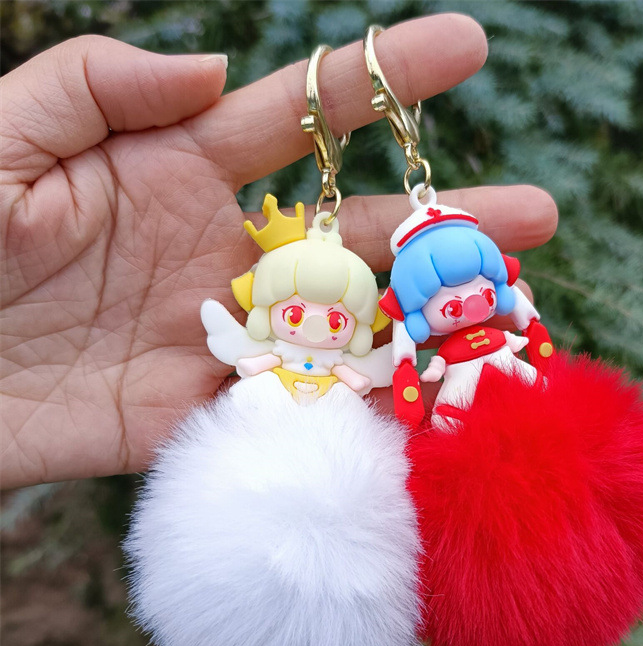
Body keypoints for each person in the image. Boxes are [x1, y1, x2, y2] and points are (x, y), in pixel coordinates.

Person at [0, 14, 558, 489]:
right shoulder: (273, 355)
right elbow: (259, 359)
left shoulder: (383, 351)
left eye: (334, 320)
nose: (314, 325)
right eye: (295, 314)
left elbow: (383, 374)